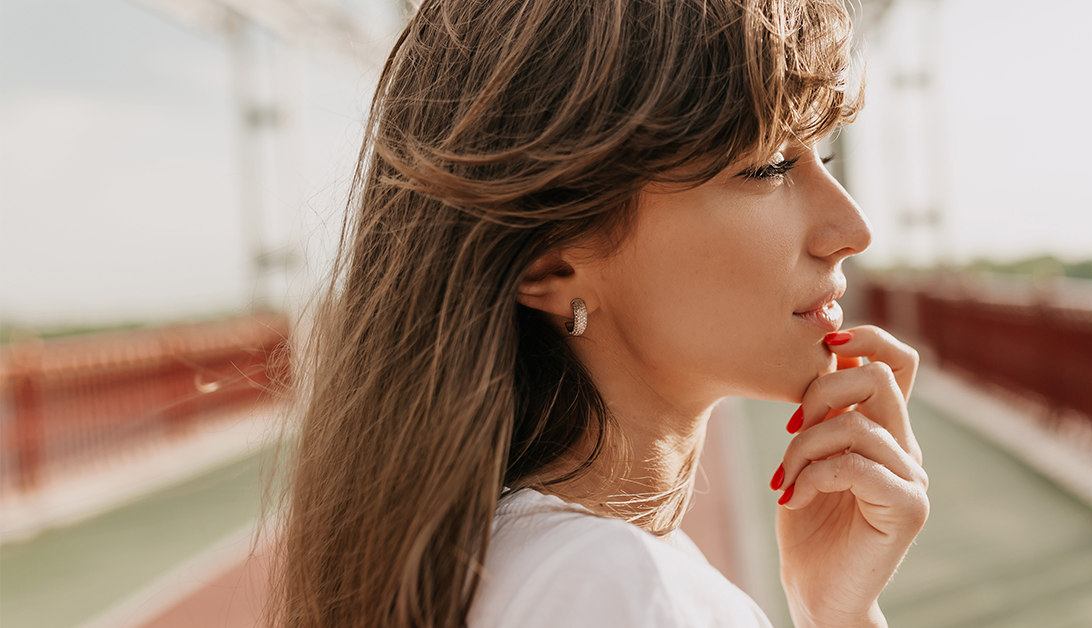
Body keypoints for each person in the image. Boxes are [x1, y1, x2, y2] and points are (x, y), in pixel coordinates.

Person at [274, 0, 928, 626]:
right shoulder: (627, 592)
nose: (852, 227)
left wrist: (835, 613)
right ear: (550, 264)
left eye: (825, 156)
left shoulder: (519, 562)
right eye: (769, 167)